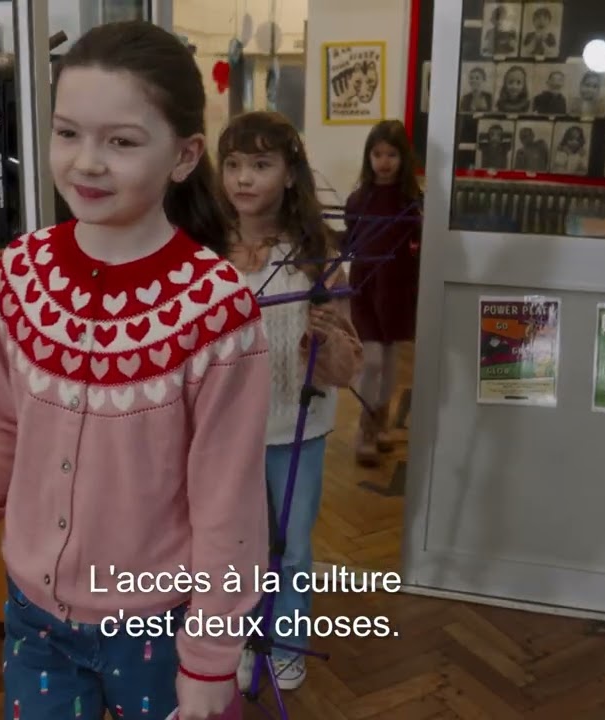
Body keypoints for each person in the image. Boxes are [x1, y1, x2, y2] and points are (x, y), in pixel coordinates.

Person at [0, 21, 272, 720]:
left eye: (121, 142)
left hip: (157, 630)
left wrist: (212, 656)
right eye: (68, 133)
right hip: (34, 619)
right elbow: (2, 431)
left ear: (185, 156)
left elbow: (230, 509)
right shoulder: (17, 276)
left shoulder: (219, 311)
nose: (86, 163)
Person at [215, 111, 363, 691]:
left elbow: (348, 365)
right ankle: (235, 639)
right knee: (232, 545)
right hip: (226, 429)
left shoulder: (317, 254)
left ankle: (285, 643)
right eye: (232, 165)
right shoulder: (205, 252)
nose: (243, 179)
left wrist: (323, 342)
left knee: (291, 547)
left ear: (290, 174)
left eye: (260, 164)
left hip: (296, 427)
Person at [343, 120, 423, 467]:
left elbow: (419, 246)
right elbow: (350, 243)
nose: (384, 162)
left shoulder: (412, 201)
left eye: (391, 154)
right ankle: (365, 428)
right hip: (366, 288)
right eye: (377, 154)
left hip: (398, 290)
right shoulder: (359, 198)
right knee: (372, 359)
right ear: (369, 157)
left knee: (390, 362)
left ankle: (382, 422)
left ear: (403, 158)